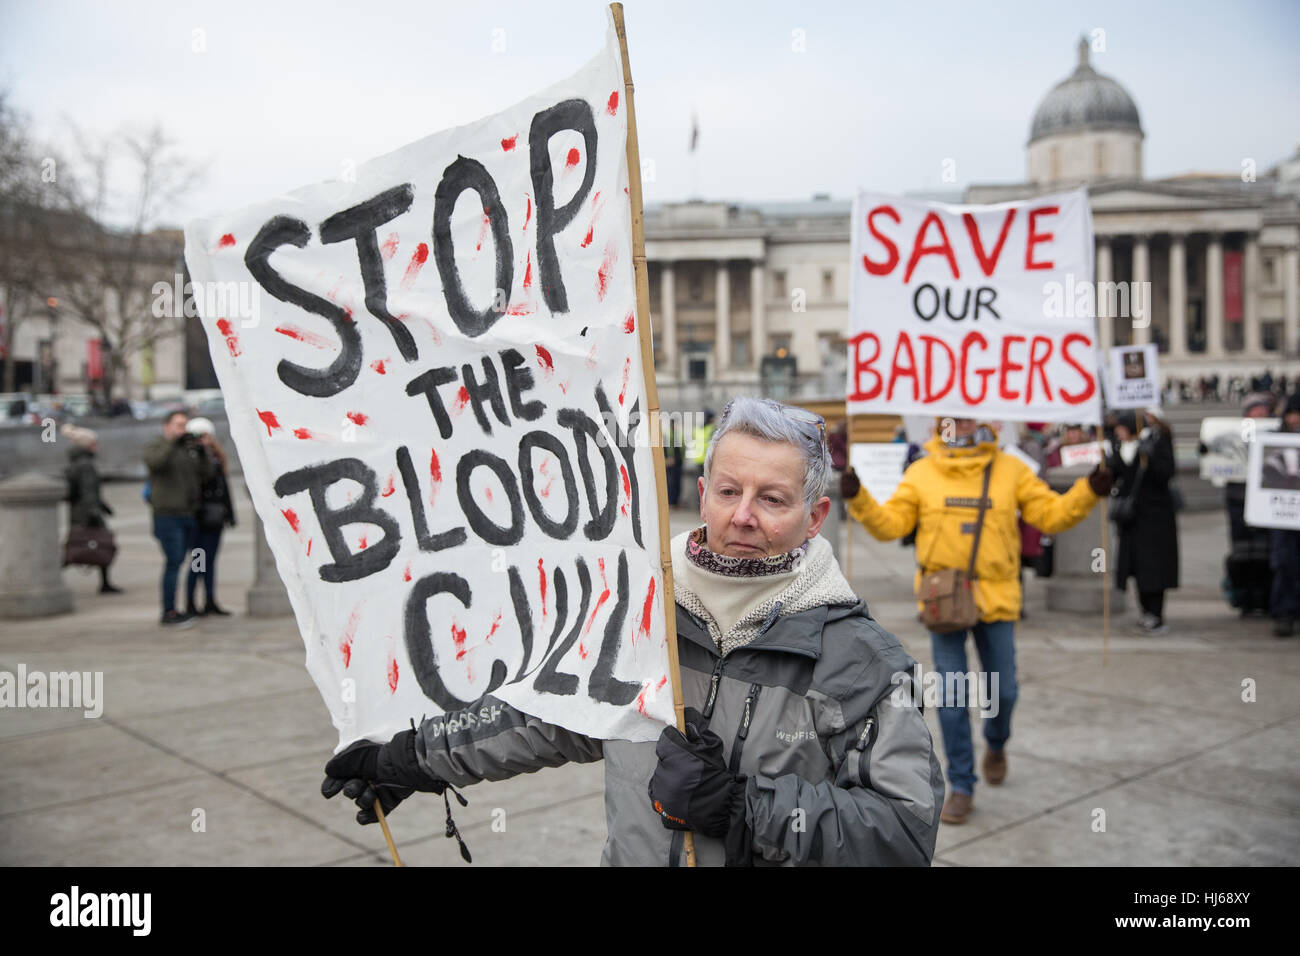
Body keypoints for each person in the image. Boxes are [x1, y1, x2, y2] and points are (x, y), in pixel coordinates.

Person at [321, 396, 944, 866]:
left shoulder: (861, 660)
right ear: (702, 495)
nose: (744, 515)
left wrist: (745, 810)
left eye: (773, 499)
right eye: (729, 490)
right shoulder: (640, 615)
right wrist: (412, 758)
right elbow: (549, 716)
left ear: (816, 518)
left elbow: (906, 832)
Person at [837, 417, 1111, 825]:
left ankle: (996, 742)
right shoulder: (922, 470)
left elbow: (1050, 515)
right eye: (951, 416)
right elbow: (892, 524)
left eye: (967, 415)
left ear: (985, 417)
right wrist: (857, 497)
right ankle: (962, 784)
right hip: (944, 601)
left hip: (997, 597)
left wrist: (1090, 489)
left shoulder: (1011, 467)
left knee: (1005, 691)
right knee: (951, 697)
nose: (960, 423)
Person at [1107, 408, 1179, 634]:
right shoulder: (1120, 448)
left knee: (1153, 568)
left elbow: (1167, 473)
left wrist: (1151, 458)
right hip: (1131, 520)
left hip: (1155, 519)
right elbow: (1116, 477)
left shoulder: (1157, 443)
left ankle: (1155, 614)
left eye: (1120, 427)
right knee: (1136, 567)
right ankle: (1145, 612)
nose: (1117, 431)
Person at [142, 410, 204, 628]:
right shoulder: (157, 446)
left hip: (188, 514)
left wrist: (201, 451)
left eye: (185, 425)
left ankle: (192, 604)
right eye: (178, 425)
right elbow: (155, 463)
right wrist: (172, 442)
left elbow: (203, 475)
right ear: (166, 426)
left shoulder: (185, 449)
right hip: (167, 516)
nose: (182, 430)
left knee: (195, 560)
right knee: (174, 562)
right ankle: (168, 611)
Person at [185, 417, 237, 617]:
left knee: (210, 561)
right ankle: (191, 601)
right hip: (199, 521)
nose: (203, 440)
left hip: (214, 519)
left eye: (205, 436)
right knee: (198, 561)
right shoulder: (191, 457)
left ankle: (210, 600)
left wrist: (229, 514)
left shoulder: (216, 456)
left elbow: (224, 489)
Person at [62, 424, 123, 594]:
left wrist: (103, 506)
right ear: (87, 445)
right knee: (98, 545)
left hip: (79, 512)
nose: (97, 446)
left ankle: (105, 583)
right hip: (88, 513)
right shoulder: (86, 465)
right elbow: (88, 491)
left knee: (80, 545)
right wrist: (95, 512)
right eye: (94, 443)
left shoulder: (76, 463)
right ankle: (105, 584)